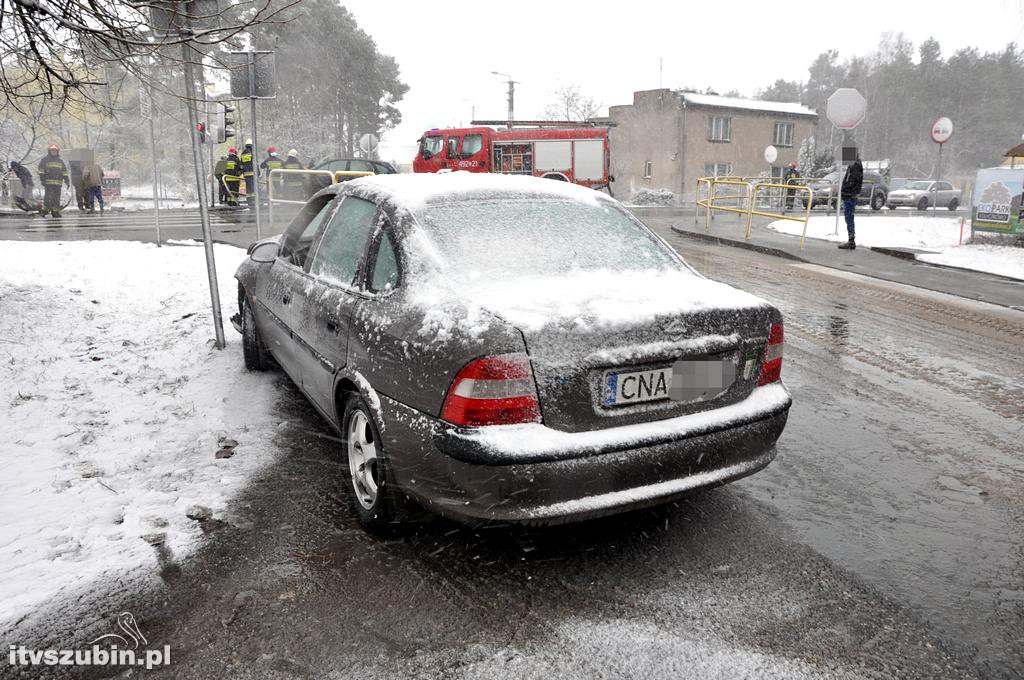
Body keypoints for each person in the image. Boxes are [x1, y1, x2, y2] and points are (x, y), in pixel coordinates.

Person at [837, 158, 863, 250]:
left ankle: (851, 240)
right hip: (849, 195)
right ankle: (851, 239)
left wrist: (847, 191)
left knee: (849, 217)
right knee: (849, 217)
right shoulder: (854, 164)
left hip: (850, 195)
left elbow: (853, 180)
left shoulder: (855, 165)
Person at [37, 144, 69, 217]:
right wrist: (42, 179)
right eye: (52, 151)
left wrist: (67, 180)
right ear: (49, 151)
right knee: (48, 197)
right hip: (48, 183)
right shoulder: (45, 160)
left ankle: (55, 212)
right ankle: (45, 211)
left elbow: (64, 172)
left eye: (55, 151)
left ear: (57, 152)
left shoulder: (60, 161)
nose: (54, 152)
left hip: (58, 184)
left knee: (56, 198)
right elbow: (41, 171)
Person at [239, 139, 255, 208]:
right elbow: (254, 163)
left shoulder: (243, 153)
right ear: (251, 145)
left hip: (246, 173)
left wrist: (243, 171)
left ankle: (249, 201)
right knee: (252, 188)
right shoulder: (252, 152)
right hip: (252, 173)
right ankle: (253, 201)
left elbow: (241, 164)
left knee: (248, 188)